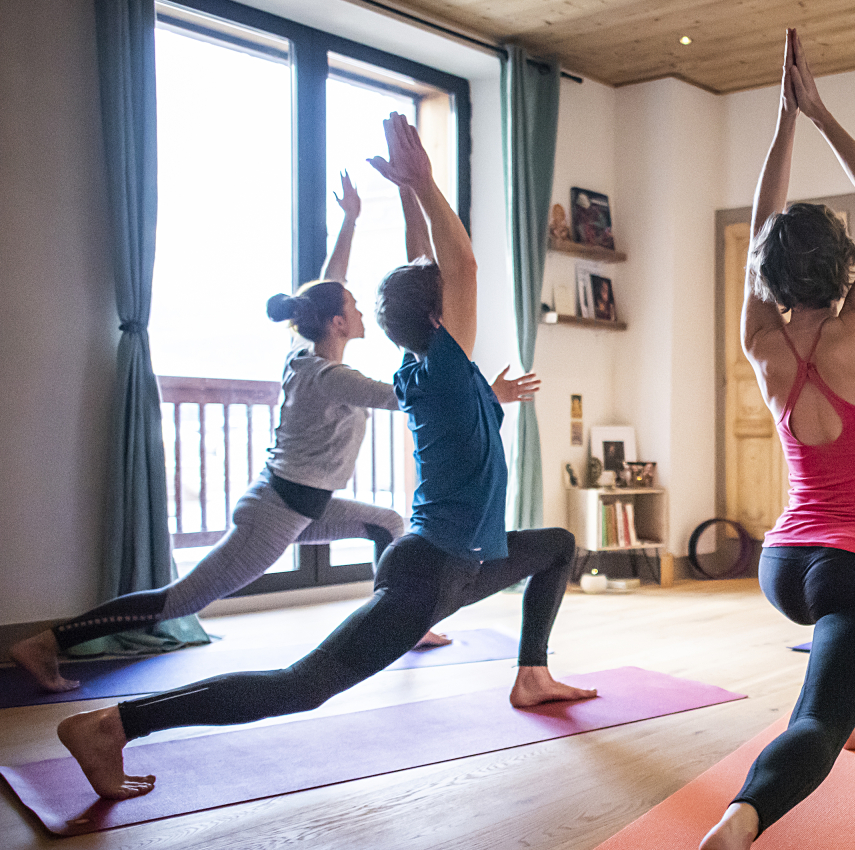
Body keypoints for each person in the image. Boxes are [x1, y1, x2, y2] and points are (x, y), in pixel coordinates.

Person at [54, 113, 594, 802]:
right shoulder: (446, 371)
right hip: (431, 574)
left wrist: (407, 196)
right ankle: (117, 724)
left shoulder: (426, 370)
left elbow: (428, 270)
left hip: (469, 563)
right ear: (439, 321)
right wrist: (425, 182)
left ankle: (532, 673)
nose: (464, 301)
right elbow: (459, 265)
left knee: (555, 545)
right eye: (451, 303)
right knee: (304, 686)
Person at [4, 171, 517, 692]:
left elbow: (327, 284)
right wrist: (483, 393)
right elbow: (419, 398)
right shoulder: (332, 378)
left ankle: (410, 620)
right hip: (278, 511)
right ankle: (47, 643)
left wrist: (350, 220)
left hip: (305, 504)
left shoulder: (304, 354)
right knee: (181, 600)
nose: (361, 308)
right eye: (353, 307)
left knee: (387, 522)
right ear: (337, 323)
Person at [697, 30, 855, 850]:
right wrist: (819, 111)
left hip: (785, 564)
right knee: (814, 717)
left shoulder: (761, 340)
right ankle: (740, 823)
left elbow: (760, 223)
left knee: (842, 674)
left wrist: (780, 125)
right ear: (847, 266)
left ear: (768, 272)